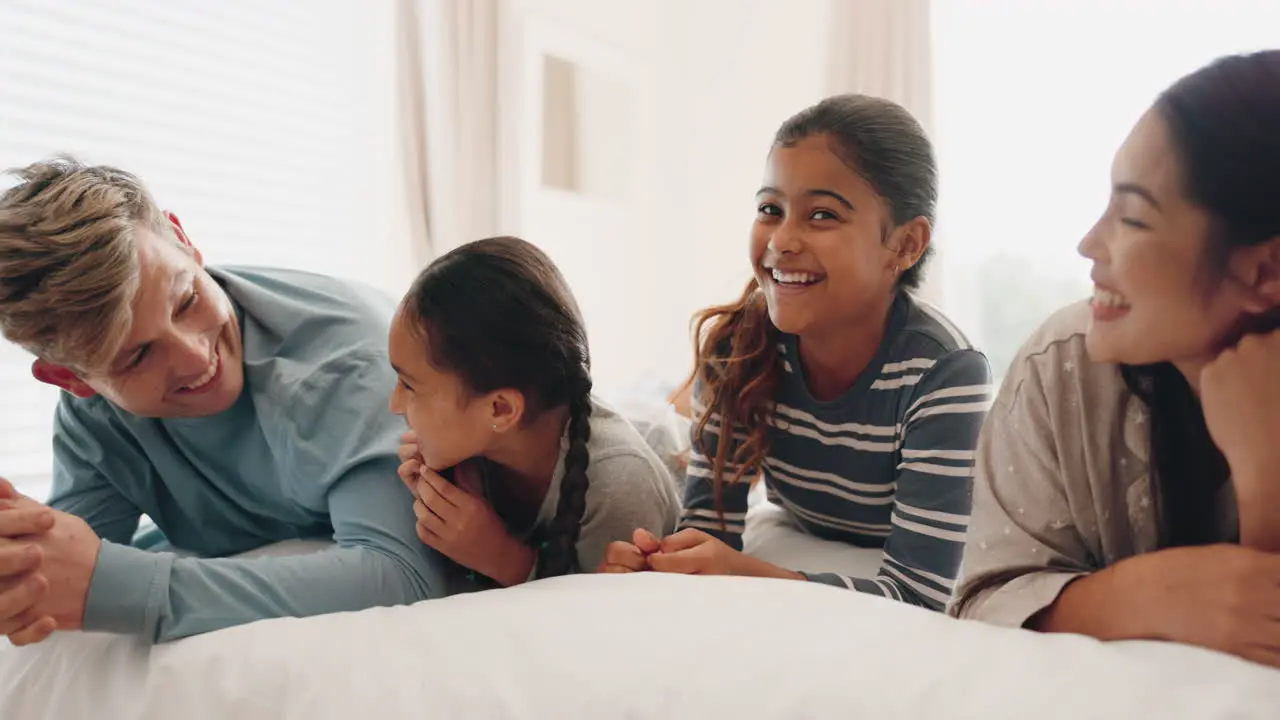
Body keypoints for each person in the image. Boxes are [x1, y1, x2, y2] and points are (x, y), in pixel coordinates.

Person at [0, 158, 446, 645]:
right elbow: (62, 564)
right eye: (138, 356)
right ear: (71, 379)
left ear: (183, 240)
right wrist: (20, 564)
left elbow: (404, 574)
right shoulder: (94, 420)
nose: (194, 357)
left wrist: (119, 587)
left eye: (186, 301)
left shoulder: (348, 365)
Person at [599, 95, 993, 611]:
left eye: (822, 215)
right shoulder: (736, 345)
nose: (782, 240)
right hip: (802, 527)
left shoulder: (944, 372)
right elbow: (710, 530)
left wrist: (742, 572)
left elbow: (917, 594)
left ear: (905, 245)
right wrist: (661, 562)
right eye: (770, 209)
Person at [951, 50, 1280, 668]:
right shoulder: (1065, 368)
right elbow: (982, 602)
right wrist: (1149, 595)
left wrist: (1267, 475)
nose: (1088, 243)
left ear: (1266, 269)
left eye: (1131, 218)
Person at [391, 236, 679, 583]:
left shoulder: (620, 488)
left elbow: (604, 623)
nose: (394, 405)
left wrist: (500, 557)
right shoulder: (469, 452)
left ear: (500, 410)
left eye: (408, 386)